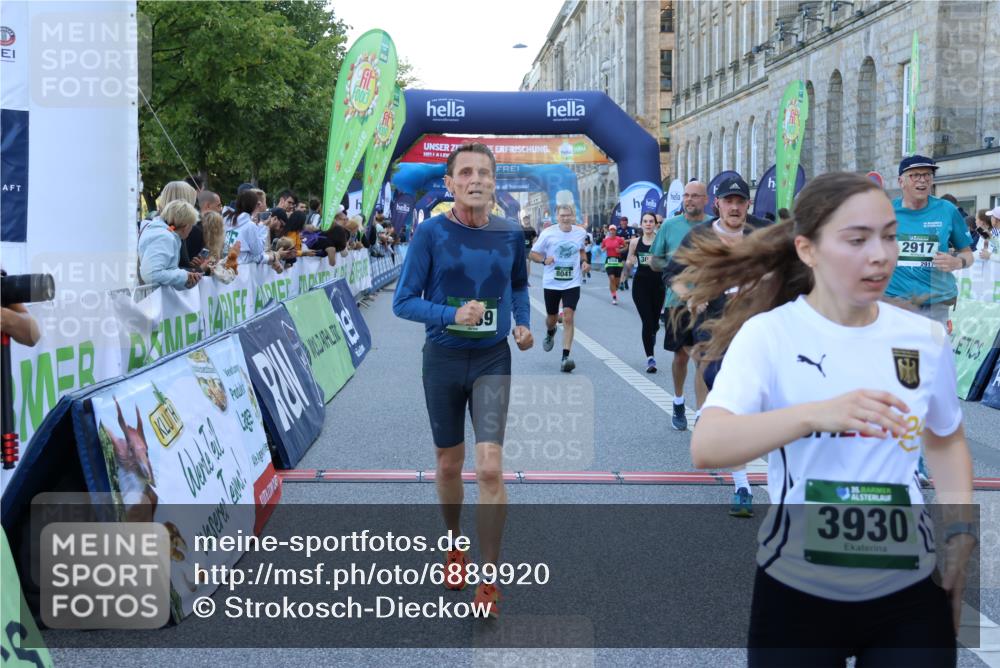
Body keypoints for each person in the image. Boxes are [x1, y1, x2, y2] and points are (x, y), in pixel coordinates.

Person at [686, 172, 974, 666]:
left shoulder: (925, 339)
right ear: (808, 250)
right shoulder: (768, 335)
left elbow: (946, 439)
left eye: (889, 236)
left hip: (907, 587)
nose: (880, 255)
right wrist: (816, 414)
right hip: (797, 589)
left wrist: (960, 532)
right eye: (857, 240)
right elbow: (708, 445)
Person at [392, 143, 532, 618]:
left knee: (490, 469)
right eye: (466, 173)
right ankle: (454, 546)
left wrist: (522, 322)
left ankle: (489, 578)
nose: (476, 180)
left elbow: (518, 285)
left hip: (493, 359)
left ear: (494, 182)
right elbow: (403, 301)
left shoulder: (510, 232)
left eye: (484, 173)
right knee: (449, 465)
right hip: (444, 360)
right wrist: (451, 314)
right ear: (449, 184)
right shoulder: (430, 233)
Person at [665, 175, 768, 517]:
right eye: (729, 201)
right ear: (717, 204)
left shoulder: (762, 233)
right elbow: (673, 274)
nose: (735, 207)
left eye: (740, 201)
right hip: (714, 328)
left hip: (756, 327)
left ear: (748, 204)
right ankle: (742, 484)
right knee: (728, 397)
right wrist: (690, 297)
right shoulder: (701, 236)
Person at [650, 181, 712, 431]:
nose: (689, 200)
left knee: (702, 358)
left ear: (706, 200)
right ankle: (678, 401)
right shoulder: (669, 225)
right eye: (686, 195)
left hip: (708, 302)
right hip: (677, 302)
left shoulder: (714, 226)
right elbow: (654, 261)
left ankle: (702, 413)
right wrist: (674, 269)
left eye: (695, 196)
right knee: (681, 356)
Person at [885, 155, 974, 326]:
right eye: (915, 175)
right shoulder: (885, 210)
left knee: (935, 344)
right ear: (901, 181)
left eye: (927, 175)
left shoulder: (947, 210)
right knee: (898, 345)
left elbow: (968, 254)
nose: (923, 180)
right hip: (895, 302)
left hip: (936, 304)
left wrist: (957, 262)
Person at [530, 203, 589, 372]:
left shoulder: (580, 232)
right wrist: (544, 260)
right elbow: (532, 254)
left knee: (568, 316)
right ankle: (551, 331)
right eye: (562, 215)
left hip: (572, 282)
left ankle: (565, 357)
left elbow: (581, 250)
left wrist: (584, 261)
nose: (565, 218)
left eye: (568, 215)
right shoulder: (548, 233)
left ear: (573, 216)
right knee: (552, 318)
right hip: (552, 282)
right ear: (557, 217)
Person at [624, 211, 665, 373]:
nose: (648, 224)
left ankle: (653, 331)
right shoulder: (635, 242)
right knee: (647, 322)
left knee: (654, 323)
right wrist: (627, 268)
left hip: (658, 285)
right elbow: (629, 259)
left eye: (651, 221)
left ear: (655, 224)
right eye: (645, 221)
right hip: (640, 285)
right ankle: (650, 358)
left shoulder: (661, 241)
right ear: (641, 224)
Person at [138, 200, 202, 289]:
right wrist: (184, 276)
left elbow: (165, 270)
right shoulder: (164, 237)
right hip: (155, 295)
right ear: (186, 226)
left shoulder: (164, 233)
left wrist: (185, 279)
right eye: (192, 225)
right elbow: (151, 274)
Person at [600, 225, 627, 304]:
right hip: (609, 261)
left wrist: (620, 250)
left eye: (613, 230)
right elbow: (601, 249)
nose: (612, 231)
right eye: (611, 230)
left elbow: (626, 247)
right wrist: (604, 249)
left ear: (615, 231)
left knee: (617, 283)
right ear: (609, 231)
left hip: (618, 261)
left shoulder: (619, 239)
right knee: (612, 278)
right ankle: (614, 297)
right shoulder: (605, 240)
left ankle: (614, 289)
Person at [521, 215, 537, 281]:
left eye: (527, 219)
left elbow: (535, 239)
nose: (526, 220)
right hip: (521, 249)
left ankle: (527, 279)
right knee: (522, 265)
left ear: (529, 220)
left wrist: (533, 245)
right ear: (523, 220)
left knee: (527, 263)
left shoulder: (532, 229)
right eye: (525, 219)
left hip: (528, 249)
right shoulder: (520, 228)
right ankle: (521, 278)